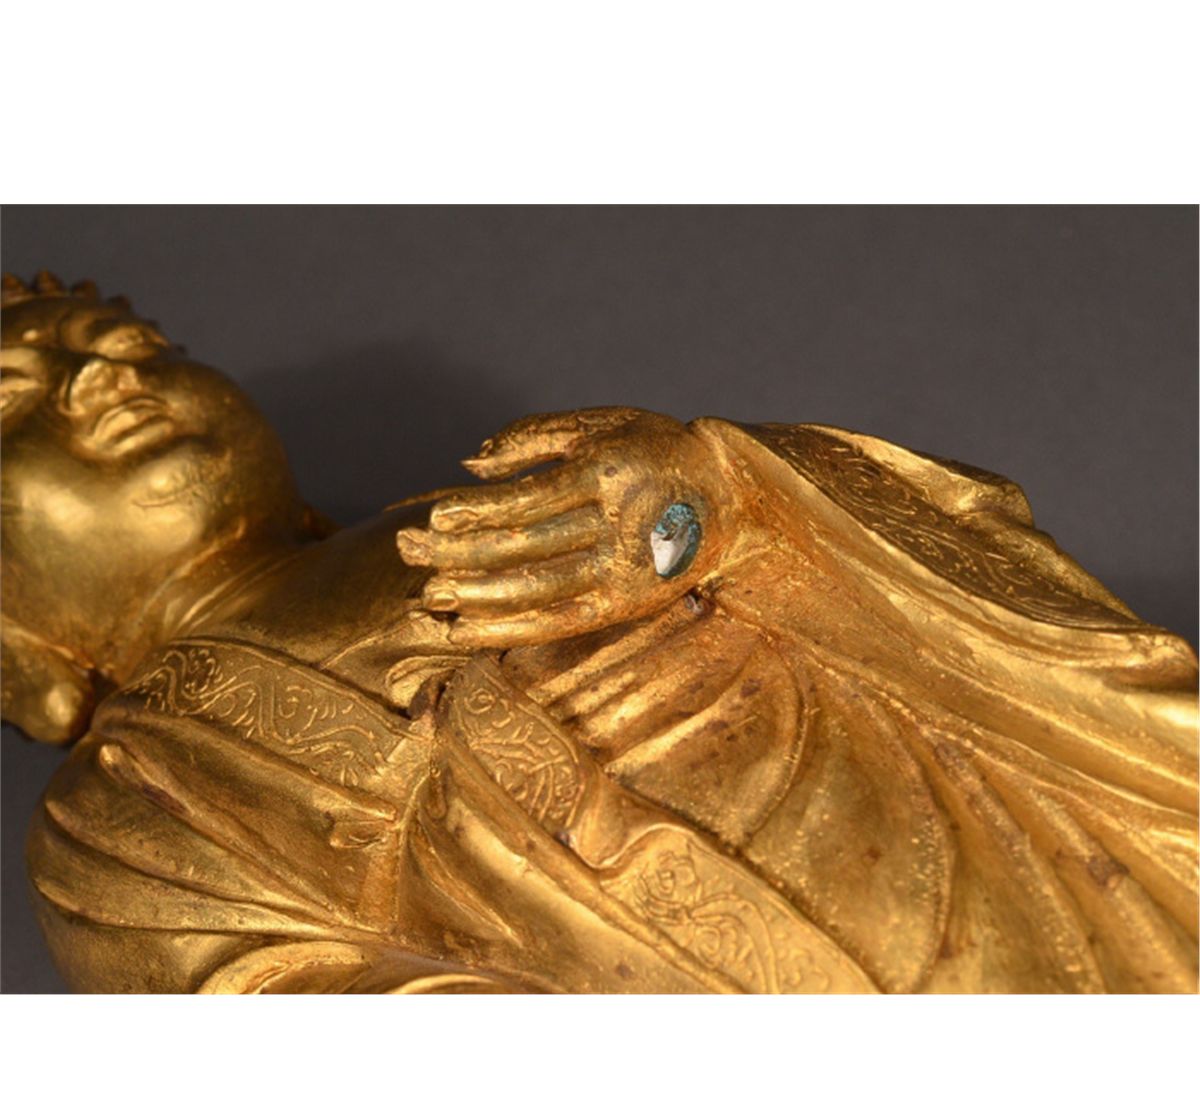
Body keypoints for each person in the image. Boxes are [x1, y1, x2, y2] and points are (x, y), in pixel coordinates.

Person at [2, 272, 1196, 993]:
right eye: (13, 401)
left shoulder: (480, 499)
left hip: (951, 829)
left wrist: (717, 499)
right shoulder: (117, 813)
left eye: (133, 346)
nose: (103, 378)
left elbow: (916, 547)